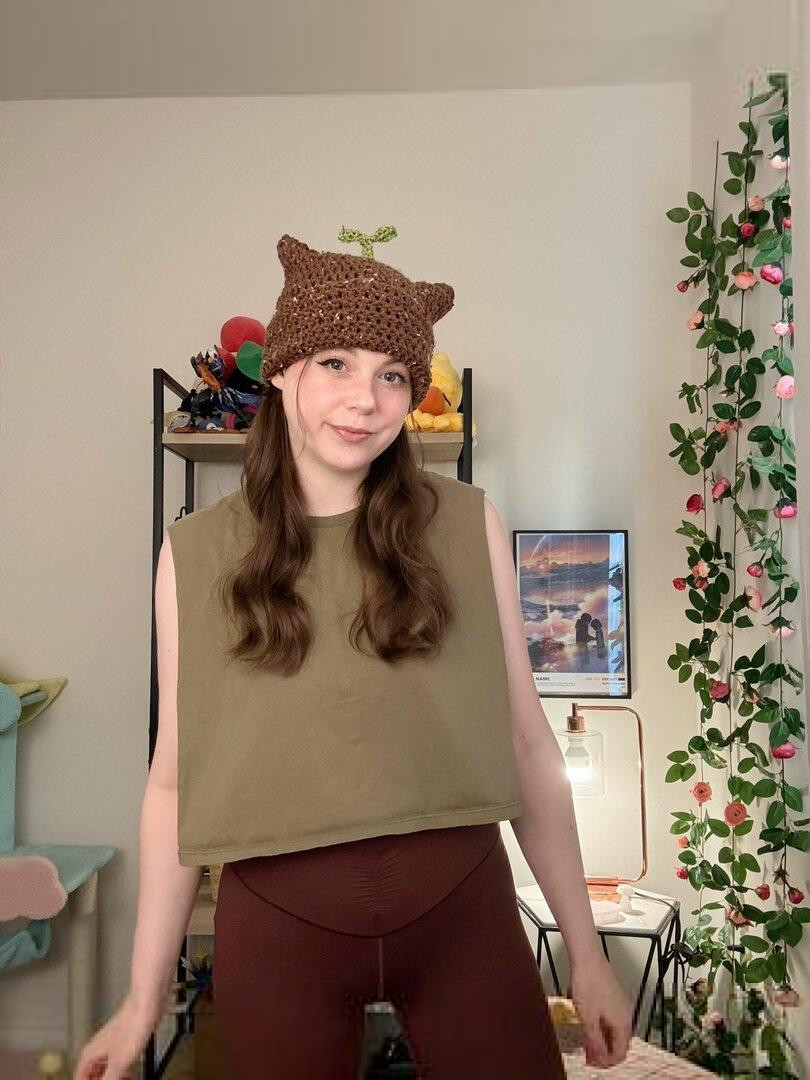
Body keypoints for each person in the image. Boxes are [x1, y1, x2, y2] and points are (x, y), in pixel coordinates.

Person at [74, 230, 632, 1079]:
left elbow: (528, 745)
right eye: (335, 363)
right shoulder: (195, 552)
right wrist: (141, 1001)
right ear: (282, 371)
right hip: (278, 932)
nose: (364, 399)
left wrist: (586, 955)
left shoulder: (465, 522)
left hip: (465, 918)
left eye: (393, 374)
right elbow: (173, 782)